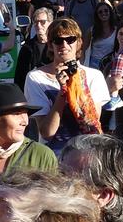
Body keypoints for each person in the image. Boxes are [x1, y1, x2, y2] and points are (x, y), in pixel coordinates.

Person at [24, 17, 111, 152]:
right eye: (58, 40)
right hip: (55, 156)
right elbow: (47, 133)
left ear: (79, 43)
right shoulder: (36, 78)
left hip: (87, 152)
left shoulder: (94, 76)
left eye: (70, 39)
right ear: (50, 45)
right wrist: (62, 92)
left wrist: (76, 81)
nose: (64, 45)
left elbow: (92, 123)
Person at [14, 6, 53, 90]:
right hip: (32, 91)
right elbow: (19, 76)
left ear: (50, 23)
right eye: (36, 22)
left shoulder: (56, 45)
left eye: (42, 22)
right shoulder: (27, 48)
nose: (38, 25)